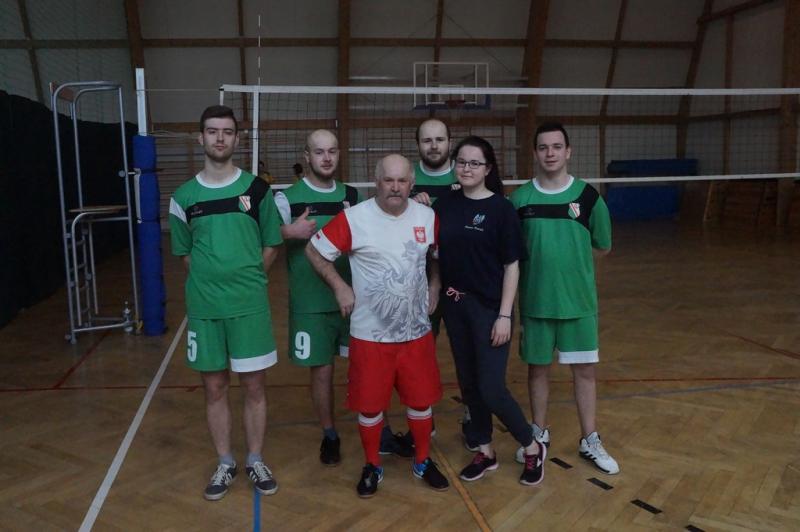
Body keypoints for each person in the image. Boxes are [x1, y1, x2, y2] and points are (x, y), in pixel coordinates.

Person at [305, 154, 450, 498]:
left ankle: (422, 460)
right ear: (376, 181)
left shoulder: (427, 216)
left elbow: (434, 256)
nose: (395, 188)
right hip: (370, 336)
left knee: (420, 402)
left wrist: (434, 284)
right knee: (370, 407)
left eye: (402, 181)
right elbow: (314, 250)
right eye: (388, 180)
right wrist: (339, 286)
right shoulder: (355, 218)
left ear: (411, 183)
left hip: (416, 333)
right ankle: (372, 465)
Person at [169, 105, 284, 500]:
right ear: (200, 137)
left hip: (249, 306)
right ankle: (225, 462)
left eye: (227, 132)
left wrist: (247, 278)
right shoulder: (183, 197)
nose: (220, 138)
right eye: (212, 131)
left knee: (254, 386)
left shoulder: (257, 190)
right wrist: (212, 282)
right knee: (215, 387)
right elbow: (185, 254)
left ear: (237, 138)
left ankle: (255, 459)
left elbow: (272, 243)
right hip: (205, 310)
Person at [434, 136, 546, 485]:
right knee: (469, 385)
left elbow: (512, 265)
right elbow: (435, 253)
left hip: (490, 309)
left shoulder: (501, 209)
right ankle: (485, 451)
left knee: (491, 387)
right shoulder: (444, 205)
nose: (466, 168)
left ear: (488, 168)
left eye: (474, 163)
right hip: (455, 305)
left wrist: (504, 315)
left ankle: (531, 446)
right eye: (461, 162)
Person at [509, 122, 620, 475]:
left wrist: (572, 271)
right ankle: (538, 433)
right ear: (535, 153)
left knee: (584, 372)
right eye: (543, 147)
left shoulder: (588, 197)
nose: (550, 153)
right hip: (536, 304)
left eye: (557, 146)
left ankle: (589, 438)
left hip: (579, 305)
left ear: (568, 151)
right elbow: (511, 254)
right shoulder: (520, 199)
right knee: (537, 371)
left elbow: (602, 246)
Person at [380, 118, 480, 457]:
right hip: (417, 285)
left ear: (450, 142)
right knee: (418, 357)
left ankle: (473, 417)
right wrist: (413, 208)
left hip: (464, 282)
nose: (434, 146)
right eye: (427, 140)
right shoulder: (406, 182)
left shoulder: (466, 175)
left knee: (467, 354)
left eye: (439, 139)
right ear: (418, 144)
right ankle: (424, 420)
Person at [273, 129, 360, 467]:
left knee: (364, 367)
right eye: (319, 152)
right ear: (306, 156)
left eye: (332, 151)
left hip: (352, 298)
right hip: (310, 303)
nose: (326, 158)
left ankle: (376, 427)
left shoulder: (351, 196)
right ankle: (330, 434)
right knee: (322, 371)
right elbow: (262, 237)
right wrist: (288, 231)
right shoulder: (286, 199)